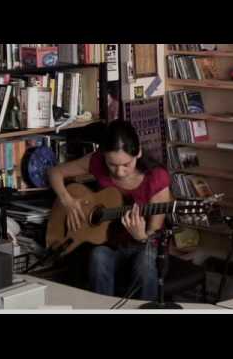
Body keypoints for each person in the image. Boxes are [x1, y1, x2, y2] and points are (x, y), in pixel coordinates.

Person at [48, 120, 171, 300]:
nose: (119, 172)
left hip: (146, 247)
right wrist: (68, 201)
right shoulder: (97, 161)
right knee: (98, 257)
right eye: (112, 165)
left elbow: (154, 235)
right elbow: (54, 172)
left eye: (126, 164)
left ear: (138, 153)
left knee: (145, 263)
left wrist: (141, 237)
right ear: (104, 156)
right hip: (110, 244)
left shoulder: (156, 178)